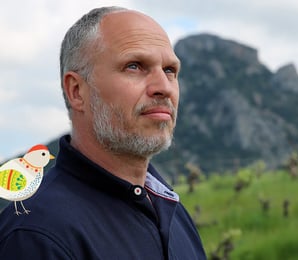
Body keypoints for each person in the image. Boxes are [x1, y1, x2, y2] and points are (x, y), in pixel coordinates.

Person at [0, 6, 206, 259]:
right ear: (77, 91)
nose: (164, 87)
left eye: (170, 70)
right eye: (134, 66)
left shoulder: (172, 211)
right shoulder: (35, 235)